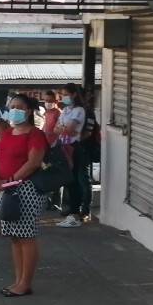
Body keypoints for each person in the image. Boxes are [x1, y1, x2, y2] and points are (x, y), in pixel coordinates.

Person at [0, 94, 48, 297]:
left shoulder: (35, 135)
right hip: (7, 189)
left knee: (26, 236)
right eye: (11, 106)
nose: (13, 110)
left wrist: (11, 179)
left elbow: (33, 162)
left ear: (29, 110)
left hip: (27, 189)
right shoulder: (6, 134)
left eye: (18, 106)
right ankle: (18, 280)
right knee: (14, 237)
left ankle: (25, 283)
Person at [55, 83, 87, 228]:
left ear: (74, 94)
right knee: (67, 180)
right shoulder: (66, 110)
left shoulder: (79, 110)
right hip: (63, 146)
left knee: (74, 180)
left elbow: (70, 130)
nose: (64, 97)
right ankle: (70, 213)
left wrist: (64, 129)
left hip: (74, 147)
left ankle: (75, 214)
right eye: (62, 94)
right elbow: (57, 129)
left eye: (66, 94)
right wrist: (64, 129)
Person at [42, 90, 63, 211]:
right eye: (46, 100)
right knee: (46, 172)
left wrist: (55, 145)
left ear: (56, 101)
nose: (47, 103)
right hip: (46, 150)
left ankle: (56, 202)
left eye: (50, 101)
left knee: (55, 175)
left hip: (54, 150)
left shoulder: (58, 114)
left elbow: (59, 131)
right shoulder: (46, 114)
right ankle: (49, 201)